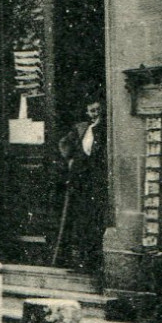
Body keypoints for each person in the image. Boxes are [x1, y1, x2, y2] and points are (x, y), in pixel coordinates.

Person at [54, 97, 109, 271]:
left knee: (95, 219)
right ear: (87, 112)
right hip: (80, 180)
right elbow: (64, 144)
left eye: (98, 110)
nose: (95, 114)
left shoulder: (106, 128)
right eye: (92, 111)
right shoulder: (81, 128)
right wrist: (71, 159)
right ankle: (81, 259)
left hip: (96, 180)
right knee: (80, 219)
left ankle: (94, 260)